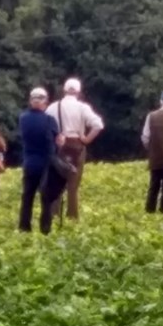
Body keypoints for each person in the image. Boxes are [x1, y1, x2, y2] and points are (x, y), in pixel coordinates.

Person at [46, 77, 104, 220]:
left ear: (64, 90)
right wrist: (86, 139)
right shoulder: (82, 107)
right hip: (77, 146)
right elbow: (98, 125)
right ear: (78, 92)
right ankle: (72, 218)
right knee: (73, 186)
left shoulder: (53, 107)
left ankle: (53, 217)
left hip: (57, 146)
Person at [18, 88, 66, 235]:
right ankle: (45, 229)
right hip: (46, 164)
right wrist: (60, 143)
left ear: (31, 101)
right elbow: (55, 143)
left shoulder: (23, 118)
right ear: (45, 102)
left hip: (29, 162)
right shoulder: (49, 120)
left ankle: (24, 228)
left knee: (27, 196)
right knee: (46, 198)